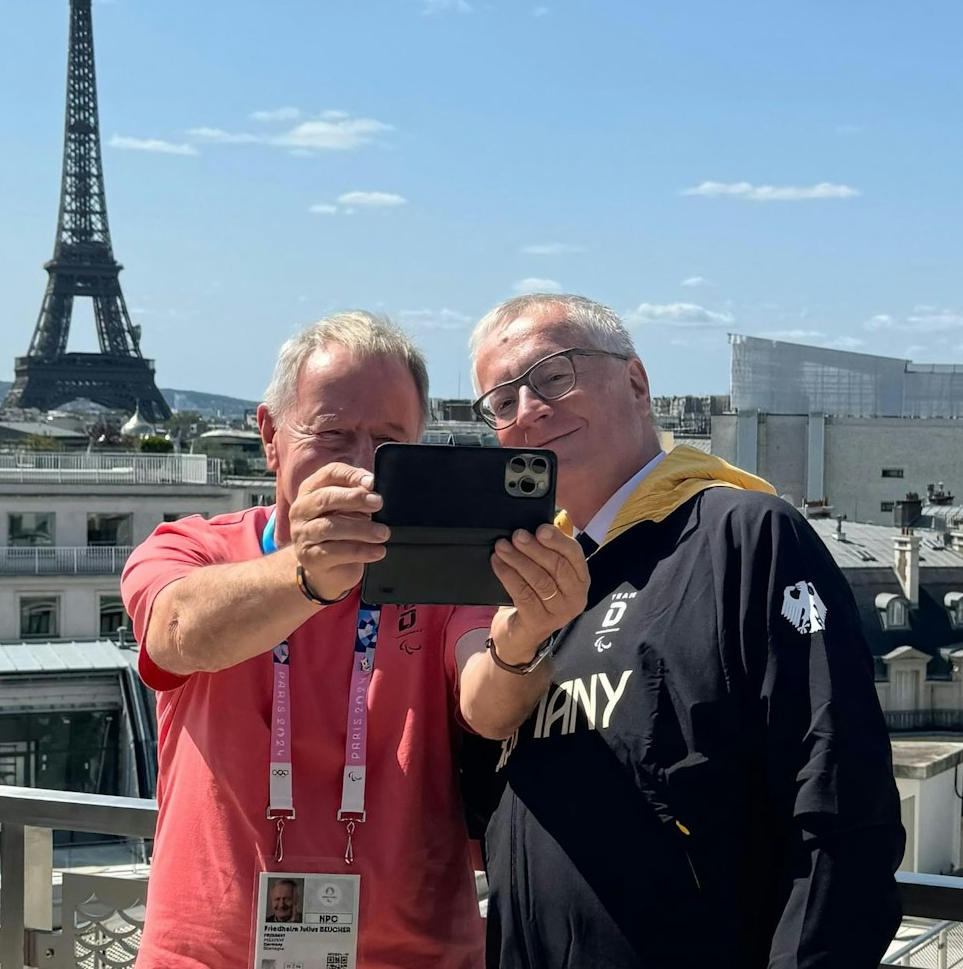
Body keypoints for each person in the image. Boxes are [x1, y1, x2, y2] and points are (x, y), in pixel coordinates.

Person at [123, 312, 586, 969]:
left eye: (388, 442)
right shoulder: (192, 546)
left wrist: (529, 633)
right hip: (211, 954)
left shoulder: (440, 571)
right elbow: (178, 634)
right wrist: (304, 575)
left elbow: (487, 698)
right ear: (270, 436)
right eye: (334, 433)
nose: (360, 465)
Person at [468, 294, 905, 968]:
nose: (528, 409)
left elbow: (841, 807)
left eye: (553, 375)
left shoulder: (745, 537)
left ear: (636, 383)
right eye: (501, 401)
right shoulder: (529, 587)